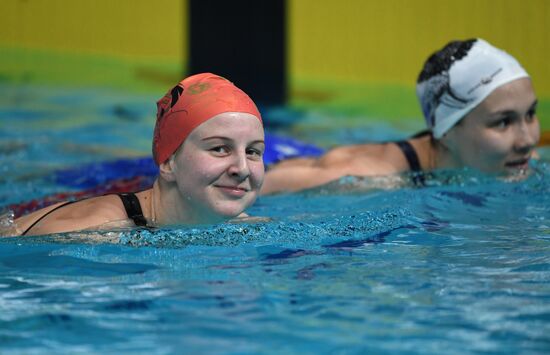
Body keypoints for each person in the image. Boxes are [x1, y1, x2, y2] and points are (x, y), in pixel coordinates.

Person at [261, 38, 540, 194]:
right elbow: (254, 187)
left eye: (530, 115)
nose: (527, 140)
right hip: (271, 158)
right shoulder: (363, 179)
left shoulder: (516, 158)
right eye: (503, 122)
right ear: (447, 130)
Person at [9, 73, 265, 236]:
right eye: (219, 148)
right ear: (167, 162)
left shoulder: (245, 227)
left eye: (253, 151)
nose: (242, 168)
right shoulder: (89, 234)